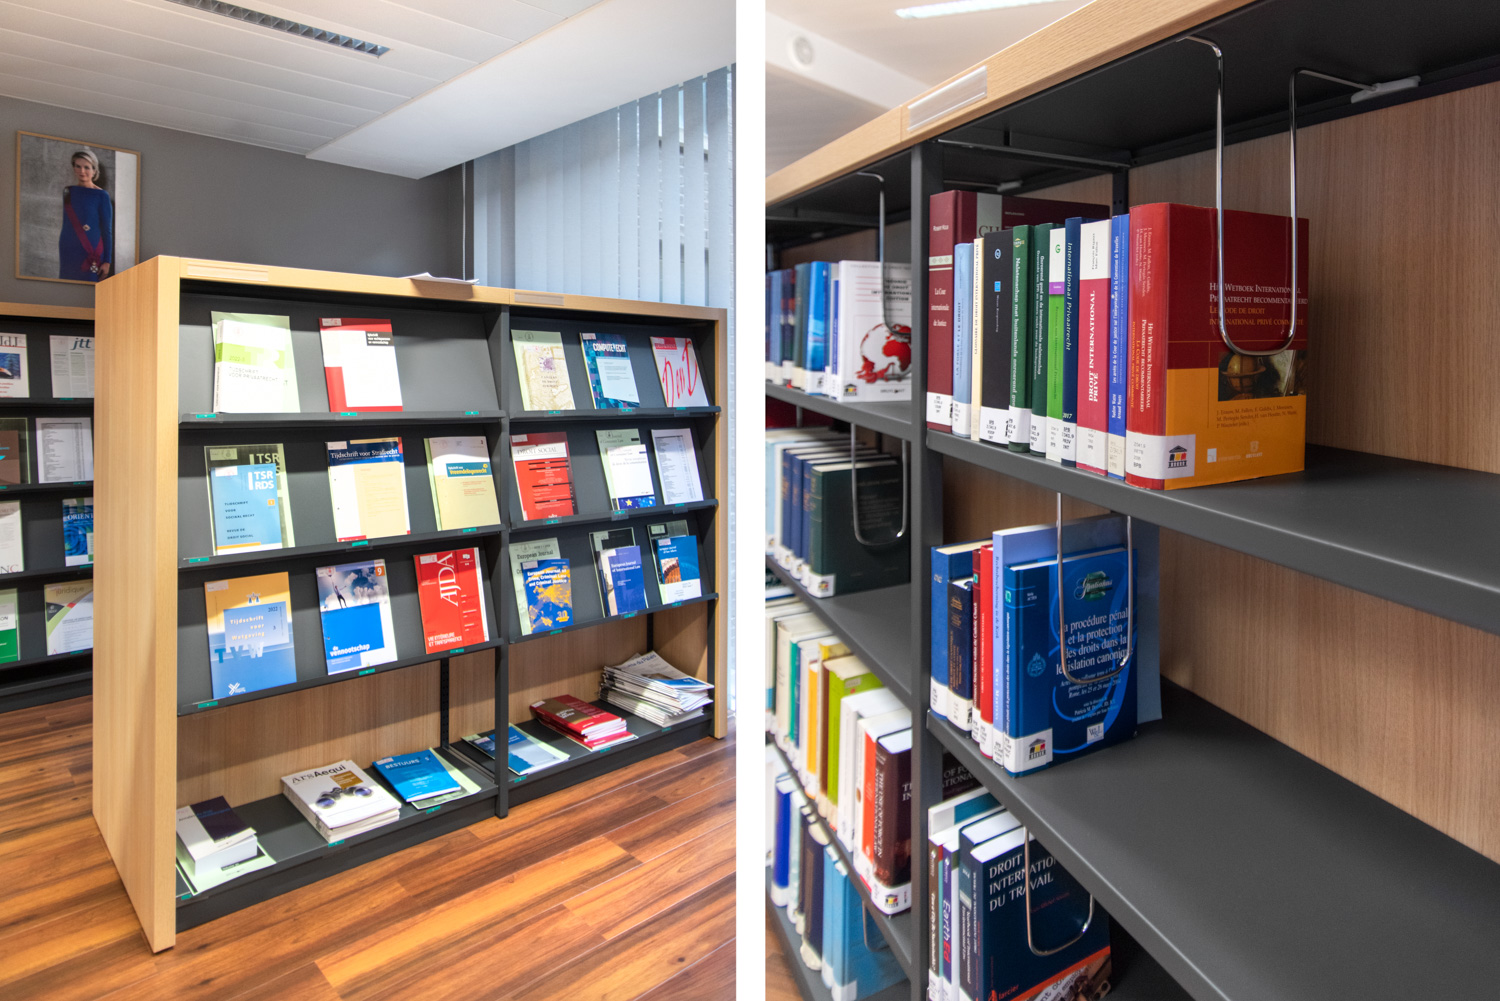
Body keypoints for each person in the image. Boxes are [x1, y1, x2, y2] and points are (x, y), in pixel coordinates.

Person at [58, 150, 113, 282]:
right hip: (68, 249)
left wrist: (107, 261)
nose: (82, 171)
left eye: (87, 167)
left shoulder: (102, 196)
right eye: (78, 166)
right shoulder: (68, 192)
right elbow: (67, 224)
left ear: (94, 170)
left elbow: (107, 230)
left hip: (90, 250)